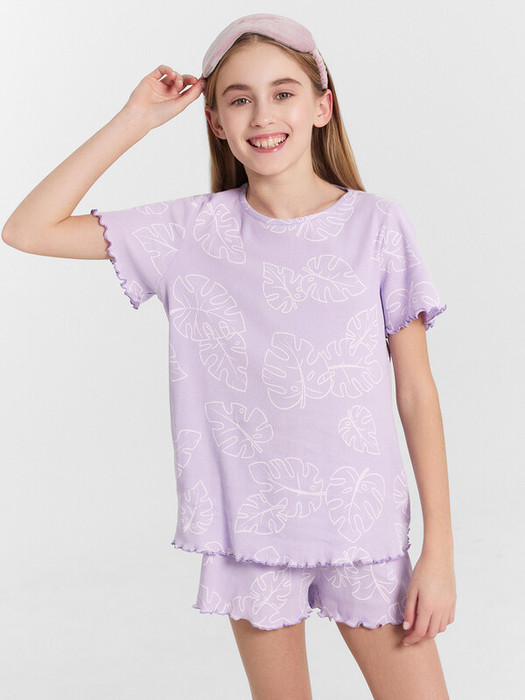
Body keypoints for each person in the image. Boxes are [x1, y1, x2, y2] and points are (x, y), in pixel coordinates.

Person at [2, 12, 455, 700]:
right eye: (239, 99)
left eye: (283, 93)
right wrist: (136, 119)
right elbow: (27, 229)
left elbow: (416, 393)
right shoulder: (188, 234)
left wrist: (439, 552)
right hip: (251, 531)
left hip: (363, 528)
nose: (262, 115)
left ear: (322, 107)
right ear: (214, 121)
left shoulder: (377, 226)